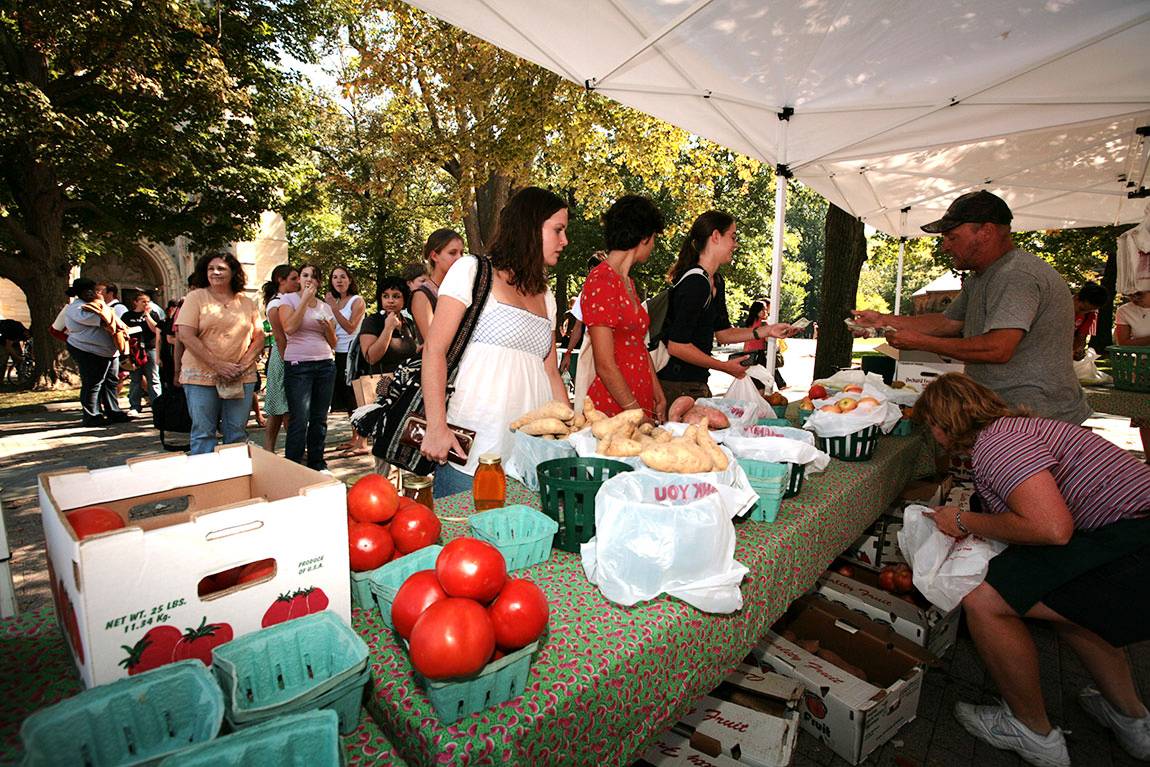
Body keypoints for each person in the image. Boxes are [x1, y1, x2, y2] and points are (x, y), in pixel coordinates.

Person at [914, 373, 1150, 767]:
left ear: (944, 424)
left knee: (985, 599)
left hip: (1135, 543)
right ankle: (1131, 718)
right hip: (1123, 533)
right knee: (1061, 602)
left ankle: (1031, 731)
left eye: (931, 428)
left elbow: (1051, 528)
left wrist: (962, 521)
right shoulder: (1016, 429)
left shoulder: (998, 446)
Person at [852, 190, 1091, 424]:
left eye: (952, 237)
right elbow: (947, 322)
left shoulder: (1015, 275)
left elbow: (998, 348)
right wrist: (883, 320)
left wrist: (921, 342)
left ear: (986, 231)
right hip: (1008, 412)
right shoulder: (982, 276)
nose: (944, 246)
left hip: (1038, 419)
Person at [420, 187, 570, 498]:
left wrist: (569, 431)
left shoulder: (547, 297)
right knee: (465, 545)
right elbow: (434, 350)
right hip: (473, 456)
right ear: (529, 227)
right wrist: (436, 427)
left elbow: (551, 373)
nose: (564, 241)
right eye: (557, 230)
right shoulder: (472, 270)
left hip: (531, 460)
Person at [657, 210, 798, 403]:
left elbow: (723, 334)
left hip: (694, 385)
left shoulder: (716, 281)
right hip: (675, 386)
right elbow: (677, 346)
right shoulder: (695, 283)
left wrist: (768, 331)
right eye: (732, 237)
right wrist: (723, 366)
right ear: (715, 236)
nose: (736, 244)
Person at [581, 195, 667, 419]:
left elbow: (637, 344)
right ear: (644, 237)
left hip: (636, 400)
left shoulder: (627, 282)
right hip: (615, 407)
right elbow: (605, 365)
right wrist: (635, 413)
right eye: (654, 237)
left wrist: (658, 393)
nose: (654, 244)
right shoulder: (601, 280)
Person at [175, 253, 264, 454]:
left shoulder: (247, 302)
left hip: (240, 376)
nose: (215, 272)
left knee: (237, 433)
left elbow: (259, 337)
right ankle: (206, 482)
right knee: (203, 433)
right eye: (210, 268)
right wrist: (217, 365)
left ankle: (234, 481)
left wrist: (241, 366)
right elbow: (186, 335)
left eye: (221, 268)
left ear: (233, 272)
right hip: (201, 376)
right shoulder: (195, 298)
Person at [350, 276, 420, 460]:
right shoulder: (373, 322)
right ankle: (384, 484)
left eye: (396, 296)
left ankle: (403, 485)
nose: (390, 300)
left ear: (404, 299)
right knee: (384, 440)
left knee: (404, 440)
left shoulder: (409, 324)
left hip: (406, 389)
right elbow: (371, 357)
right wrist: (388, 328)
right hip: (382, 388)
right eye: (386, 295)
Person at [280, 263, 337, 471]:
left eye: (313, 276)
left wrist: (328, 328)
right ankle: (293, 466)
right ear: (299, 279)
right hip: (298, 365)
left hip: (325, 365)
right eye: (305, 275)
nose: (308, 279)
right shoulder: (288, 300)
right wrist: (304, 301)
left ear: (319, 282)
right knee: (299, 418)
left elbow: (333, 343)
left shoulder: (325, 307)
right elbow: (290, 328)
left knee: (319, 418)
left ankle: (317, 463)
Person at [62, 278, 131, 426]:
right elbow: (106, 321)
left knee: (111, 382)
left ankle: (113, 411)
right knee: (93, 383)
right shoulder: (77, 308)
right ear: (78, 293)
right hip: (88, 350)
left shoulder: (97, 304)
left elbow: (111, 319)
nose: (89, 293)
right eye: (85, 290)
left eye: (91, 290)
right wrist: (104, 308)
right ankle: (92, 415)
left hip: (108, 352)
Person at [261, 264, 299, 452]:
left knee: (277, 406)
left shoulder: (285, 300)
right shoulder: (277, 303)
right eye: (293, 278)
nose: (298, 282)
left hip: (285, 354)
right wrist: (288, 361)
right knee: (286, 408)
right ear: (280, 280)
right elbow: (279, 336)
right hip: (284, 356)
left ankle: (268, 449)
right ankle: (296, 449)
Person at [326, 265, 366, 431]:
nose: (339, 280)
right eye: (335, 277)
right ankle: (354, 436)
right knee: (345, 396)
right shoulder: (335, 302)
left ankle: (361, 440)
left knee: (355, 396)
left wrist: (334, 309)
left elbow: (350, 327)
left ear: (349, 280)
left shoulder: (357, 300)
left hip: (354, 353)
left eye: (342, 276)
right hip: (339, 352)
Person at [410, 229, 466, 345]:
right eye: (452, 253)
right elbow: (433, 344)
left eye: (462, 253)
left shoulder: (463, 289)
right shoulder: (422, 295)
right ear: (434, 256)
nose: (459, 258)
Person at [1113, 289, 1150, 462]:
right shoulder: (1125, 311)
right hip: (1144, 366)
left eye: (1140, 293)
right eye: (1131, 293)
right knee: (1146, 413)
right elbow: (1124, 343)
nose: (1134, 298)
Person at [120, 291, 163, 416]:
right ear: (136, 302)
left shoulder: (153, 314)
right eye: (143, 301)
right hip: (135, 350)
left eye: (148, 301)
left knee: (154, 378)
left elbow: (156, 330)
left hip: (150, 348)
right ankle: (135, 405)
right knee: (135, 379)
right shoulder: (127, 316)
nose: (146, 304)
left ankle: (157, 405)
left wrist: (147, 316)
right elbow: (122, 331)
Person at [741, 299, 787, 389]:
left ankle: (780, 384)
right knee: (762, 379)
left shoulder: (749, 322)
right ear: (757, 311)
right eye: (764, 309)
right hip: (758, 353)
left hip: (748, 353)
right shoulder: (763, 323)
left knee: (752, 376)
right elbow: (767, 338)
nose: (766, 312)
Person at [1072, 282, 1107, 360]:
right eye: (1081, 309)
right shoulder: (1060, 308)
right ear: (1076, 297)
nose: (1082, 313)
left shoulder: (1091, 314)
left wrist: (1078, 350)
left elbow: (1081, 336)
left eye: (1088, 311)